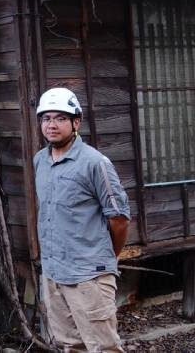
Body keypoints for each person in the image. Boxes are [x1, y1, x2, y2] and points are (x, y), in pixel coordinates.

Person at [33, 87, 130, 353]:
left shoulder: (94, 163)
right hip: (53, 273)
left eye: (60, 118)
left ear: (77, 122)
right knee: (70, 345)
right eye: (46, 118)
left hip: (89, 275)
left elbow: (119, 218)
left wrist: (107, 258)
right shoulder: (40, 161)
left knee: (104, 347)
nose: (52, 124)